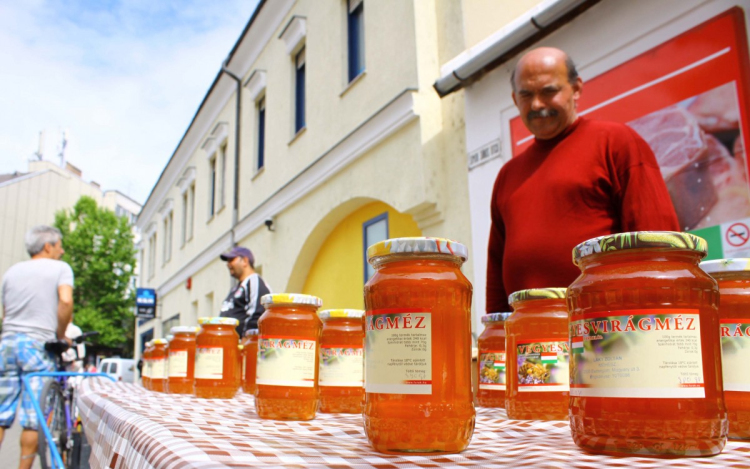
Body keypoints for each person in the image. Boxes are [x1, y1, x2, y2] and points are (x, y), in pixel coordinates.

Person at [486, 47, 680, 312]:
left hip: (606, 335)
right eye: (526, 95)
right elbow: (496, 271)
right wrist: (498, 335)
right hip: (531, 341)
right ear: (514, 98)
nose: (537, 105)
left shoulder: (617, 143)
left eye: (548, 91)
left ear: (576, 88)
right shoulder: (508, 175)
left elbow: (658, 246)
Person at [0, 225, 74, 469]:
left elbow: (5, 312)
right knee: (34, 419)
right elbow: (65, 300)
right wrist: (61, 336)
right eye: (59, 245)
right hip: (37, 345)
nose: (62, 251)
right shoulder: (60, 269)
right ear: (47, 246)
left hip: (8, 343)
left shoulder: (12, 272)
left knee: (1, 414)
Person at [219, 246, 271, 337]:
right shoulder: (236, 288)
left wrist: (246, 340)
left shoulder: (254, 281)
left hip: (243, 346)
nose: (228, 264)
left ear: (245, 261)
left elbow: (258, 313)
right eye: (227, 261)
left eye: (231, 260)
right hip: (228, 344)